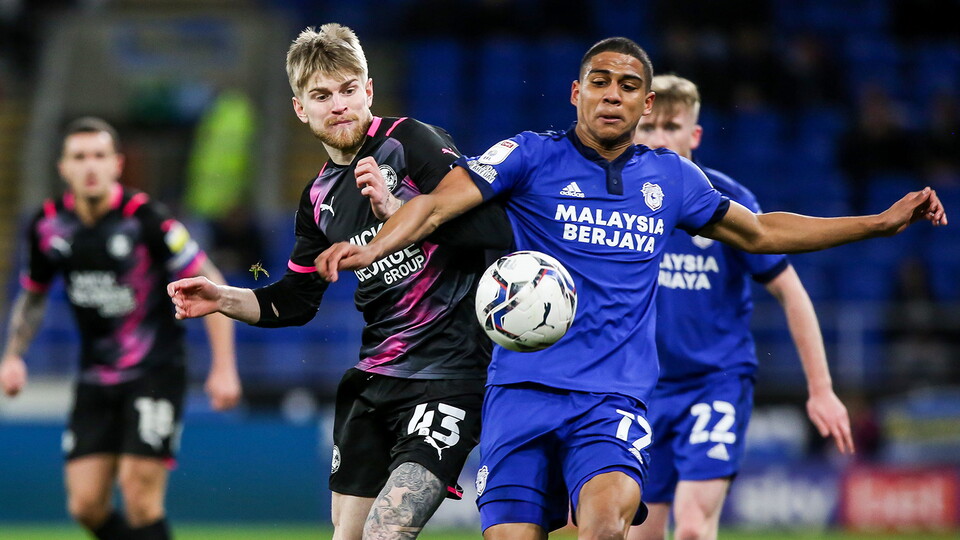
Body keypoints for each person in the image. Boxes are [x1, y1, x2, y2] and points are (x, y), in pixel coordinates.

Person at [314, 36, 947, 540]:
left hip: (612, 396)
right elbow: (433, 208)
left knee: (606, 524)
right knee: (509, 533)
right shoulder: (528, 156)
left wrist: (877, 223)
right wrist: (373, 245)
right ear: (575, 93)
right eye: (599, 82)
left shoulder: (671, 178)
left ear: (646, 106)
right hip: (521, 389)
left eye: (629, 86)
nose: (612, 96)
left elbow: (759, 232)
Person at [166, 24, 511, 540]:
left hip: (450, 377)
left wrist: (400, 211)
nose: (340, 105)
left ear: (369, 90)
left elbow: (496, 229)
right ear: (300, 109)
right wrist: (224, 298)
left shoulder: (412, 144)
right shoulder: (317, 197)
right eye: (322, 96)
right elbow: (297, 299)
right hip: (373, 383)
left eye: (349, 90)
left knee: (386, 531)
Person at [627, 74, 853, 540]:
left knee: (692, 527)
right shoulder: (619, 203)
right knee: (637, 533)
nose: (657, 138)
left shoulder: (724, 204)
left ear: (694, 135)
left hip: (714, 382)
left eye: (671, 127)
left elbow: (791, 291)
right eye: (648, 127)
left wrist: (822, 388)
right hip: (640, 389)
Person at [0, 116, 241, 540]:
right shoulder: (47, 225)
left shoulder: (148, 220)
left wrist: (224, 368)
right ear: (63, 168)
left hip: (154, 371)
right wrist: (13, 355)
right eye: (79, 157)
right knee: (86, 505)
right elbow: (34, 296)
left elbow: (212, 286)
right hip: (94, 378)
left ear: (117, 164)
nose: (89, 166)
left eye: (99, 156)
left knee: (139, 495)